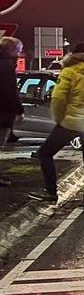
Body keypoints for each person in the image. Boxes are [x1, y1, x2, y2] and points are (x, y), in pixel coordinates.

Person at [29, 43, 84, 210]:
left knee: (45, 153)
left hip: (71, 122)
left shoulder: (69, 72)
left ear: (74, 55)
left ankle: (51, 192)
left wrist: (59, 118)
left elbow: (59, 98)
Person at [0, 37, 23, 186]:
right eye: (19, 50)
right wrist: (18, 110)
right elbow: (10, 90)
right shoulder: (7, 66)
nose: (20, 54)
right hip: (3, 112)